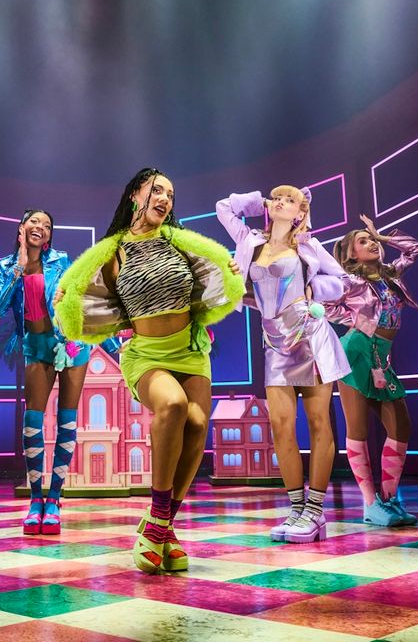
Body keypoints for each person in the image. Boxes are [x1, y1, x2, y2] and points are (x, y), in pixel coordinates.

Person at [55, 168, 245, 573]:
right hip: (146, 354)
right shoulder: (113, 252)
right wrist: (66, 298)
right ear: (134, 195)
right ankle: (159, 521)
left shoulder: (180, 243)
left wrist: (226, 271)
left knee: (197, 423)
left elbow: (211, 273)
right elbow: (85, 294)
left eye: (170, 195)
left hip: (190, 351)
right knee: (173, 405)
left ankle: (163, 528)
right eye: (156, 190)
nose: (164, 199)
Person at [216, 186, 350, 542]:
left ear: (301, 213)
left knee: (319, 422)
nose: (280, 202)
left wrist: (315, 290)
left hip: (309, 334)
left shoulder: (309, 246)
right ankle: (296, 508)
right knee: (279, 426)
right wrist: (258, 200)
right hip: (274, 341)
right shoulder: (250, 241)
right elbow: (224, 207)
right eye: (277, 197)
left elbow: (343, 282)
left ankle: (315, 512)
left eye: (290, 200)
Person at [0, 210, 115, 535]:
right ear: (22, 228)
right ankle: (36, 499)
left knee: (67, 420)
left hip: (70, 343)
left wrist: (111, 338)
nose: (41, 227)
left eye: (47, 225)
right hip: (36, 345)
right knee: (33, 420)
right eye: (35, 222)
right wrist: (19, 267)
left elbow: (81, 295)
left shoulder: (60, 260)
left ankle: (55, 499)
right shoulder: (7, 265)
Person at [330, 214, 418, 526]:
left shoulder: (390, 274)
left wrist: (383, 237)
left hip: (382, 356)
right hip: (356, 350)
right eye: (363, 241)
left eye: (371, 240)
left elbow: (414, 249)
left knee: (401, 425)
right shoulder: (349, 282)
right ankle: (371, 504)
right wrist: (354, 319)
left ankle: (389, 498)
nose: (370, 243)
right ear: (351, 255)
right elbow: (323, 305)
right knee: (357, 427)